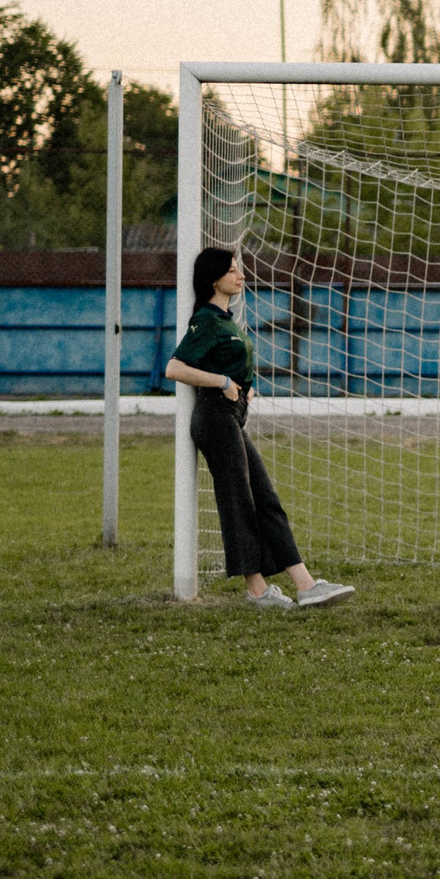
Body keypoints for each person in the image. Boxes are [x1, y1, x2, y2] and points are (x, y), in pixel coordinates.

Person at [165, 247, 355, 610]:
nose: (241, 276)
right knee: (240, 501)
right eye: (233, 270)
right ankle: (260, 591)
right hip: (215, 418)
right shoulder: (205, 319)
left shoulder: (226, 320)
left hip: (232, 417)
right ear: (213, 278)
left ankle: (304, 585)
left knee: (265, 498)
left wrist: (244, 387)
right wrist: (221, 381)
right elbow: (175, 368)